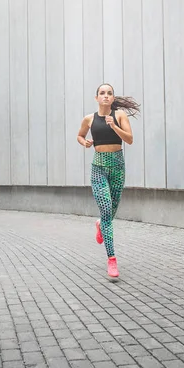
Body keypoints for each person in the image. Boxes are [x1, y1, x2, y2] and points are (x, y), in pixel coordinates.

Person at [77, 83, 140, 279]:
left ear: (112, 98)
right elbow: (79, 135)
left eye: (109, 93)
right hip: (98, 168)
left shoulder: (119, 115)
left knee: (110, 212)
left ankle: (100, 225)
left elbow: (129, 139)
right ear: (96, 98)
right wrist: (85, 142)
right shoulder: (89, 119)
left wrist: (114, 126)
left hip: (117, 168)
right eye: (102, 93)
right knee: (106, 211)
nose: (106, 96)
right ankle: (112, 259)